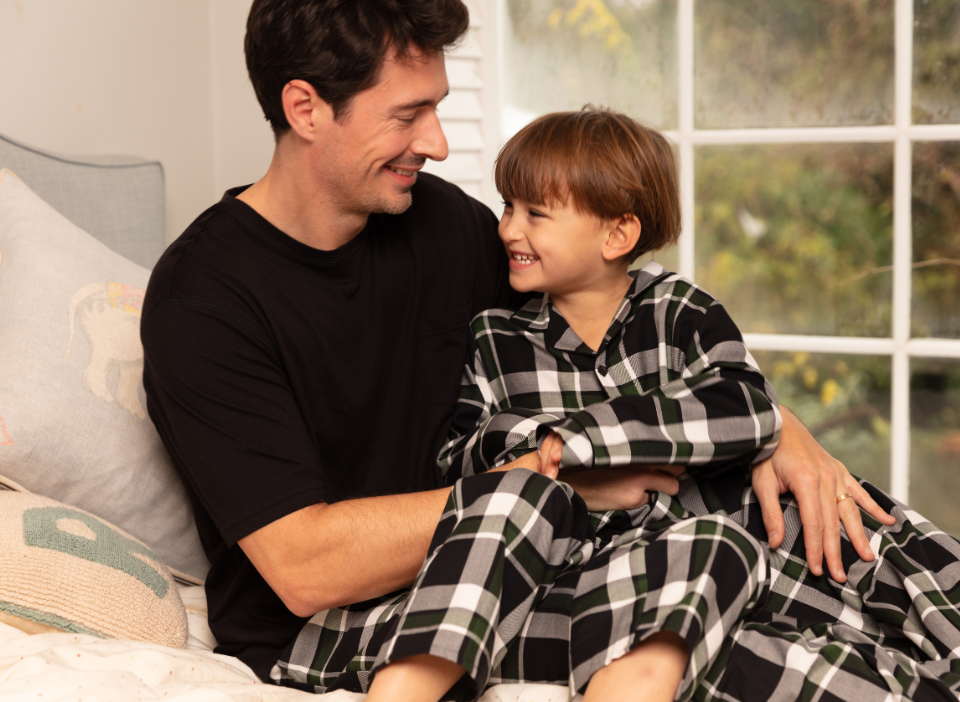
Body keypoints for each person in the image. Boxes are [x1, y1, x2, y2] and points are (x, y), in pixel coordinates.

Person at [140, 0, 926, 699]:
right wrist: (554, 480)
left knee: (818, 586)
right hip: (341, 620)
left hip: (512, 565)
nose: (436, 143)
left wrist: (775, 425)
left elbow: (599, 311)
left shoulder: (439, 224)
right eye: (408, 115)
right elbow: (305, 568)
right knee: (739, 650)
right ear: (306, 108)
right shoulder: (202, 300)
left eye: (437, 108)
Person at [350, 107, 782, 702]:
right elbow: (458, 464)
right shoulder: (494, 336)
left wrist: (587, 440)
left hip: (665, 562)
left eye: (535, 214)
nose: (508, 229)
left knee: (720, 546)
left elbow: (747, 407)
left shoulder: (681, 311)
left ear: (617, 235)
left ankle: (635, 679)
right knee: (511, 497)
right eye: (508, 207)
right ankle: (405, 687)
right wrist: (546, 456)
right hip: (543, 573)